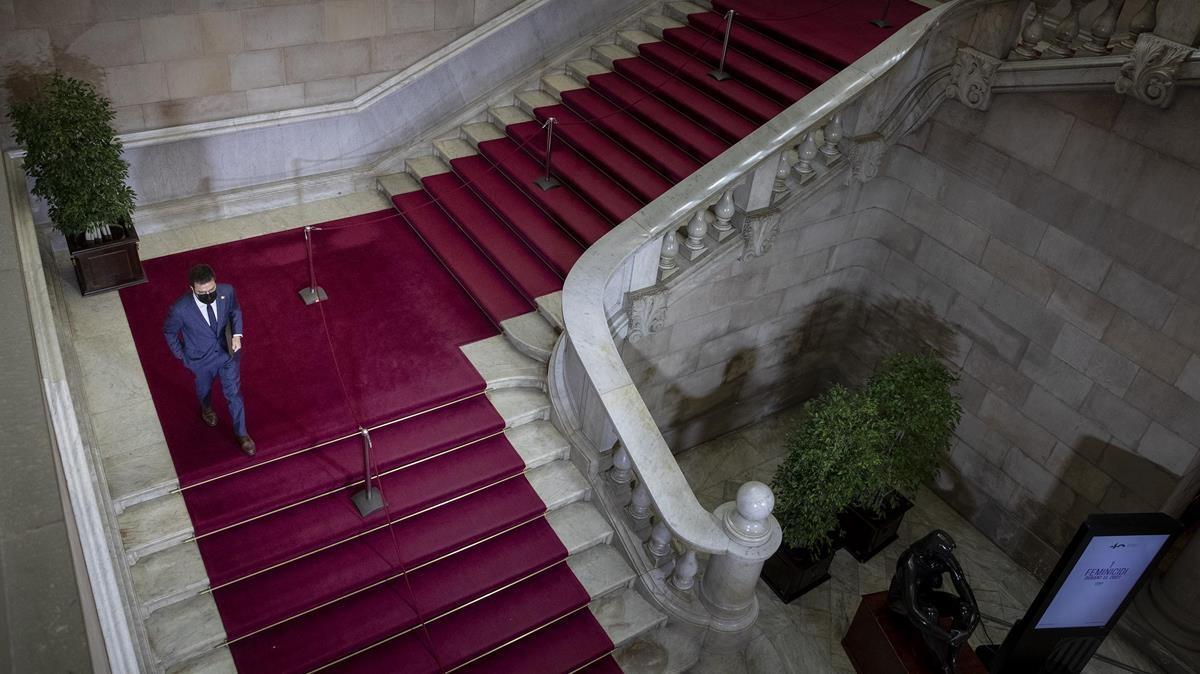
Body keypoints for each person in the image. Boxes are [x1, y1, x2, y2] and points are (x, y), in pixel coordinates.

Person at [162, 264, 255, 456]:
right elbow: (169, 332)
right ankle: (206, 409)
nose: (208, 294)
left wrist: (237, 334)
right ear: (192, 289)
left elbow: (235, 310)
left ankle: (242, 434)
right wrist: (182, 356)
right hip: (200, 360)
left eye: (211, 289)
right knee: (204, 390)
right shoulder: (180, 309)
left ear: (215, 281)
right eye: (202, 292)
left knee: (234, 394)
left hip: (228, 353)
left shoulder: (227, 291)